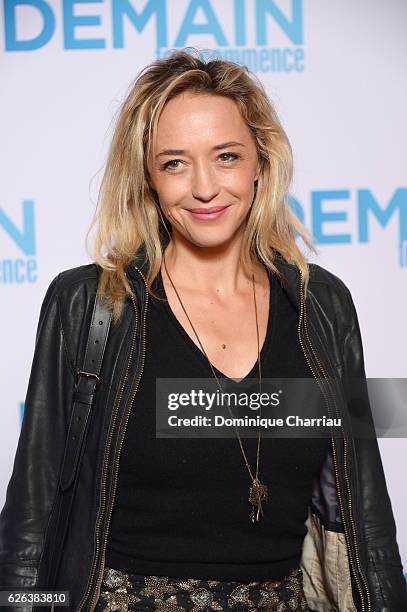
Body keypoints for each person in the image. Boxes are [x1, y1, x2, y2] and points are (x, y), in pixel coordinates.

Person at [0, 47, 406, 612]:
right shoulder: (91, 304)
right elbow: (32, 514)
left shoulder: (323, 306)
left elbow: (365, 510)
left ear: (261, 160)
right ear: (147, 176)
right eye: (174, 163)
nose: (205, 187)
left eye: (226, 156)